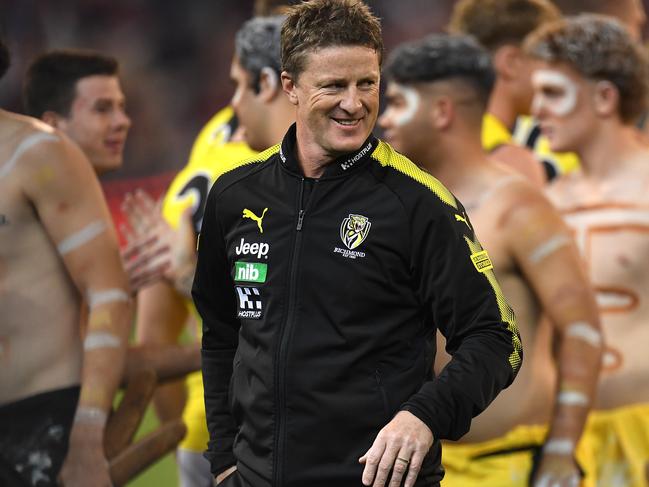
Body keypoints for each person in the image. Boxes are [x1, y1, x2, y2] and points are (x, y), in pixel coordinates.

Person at [193, 1, 523, 486]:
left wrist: (425, 417)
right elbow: (221, 334)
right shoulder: (235, 194)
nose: (355, 103)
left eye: (367, 83)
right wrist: (224, 459)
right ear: (291, 88)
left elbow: (498, 338)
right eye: (333, 86)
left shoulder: (418, 202)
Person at [379, 33, 603, 487]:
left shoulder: (519, 208)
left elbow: (581, 330)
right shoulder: (396, 205)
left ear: (442, 111)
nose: (384, 119)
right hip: (412, 463)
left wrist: (561, 450)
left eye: (399, 103)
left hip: (507, 465)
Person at [134, 14, 294, 487]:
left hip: (210, 425)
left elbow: (152, 337)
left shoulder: (212, 145)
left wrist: (179, 431)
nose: (233, 103)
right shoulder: (284, 175)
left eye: (238, 86)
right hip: (279, 428)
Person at [0, 39, 132, 486]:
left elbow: (109, 296)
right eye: (103, 108)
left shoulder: (38, 152)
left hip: (39, 421)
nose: (122, 121)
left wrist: (86, 439)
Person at [525, 14, 649, 486]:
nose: (536, 110)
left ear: (603, 97)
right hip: (565, 444)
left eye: (553, 93)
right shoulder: (545, 205)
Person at [448, 0, 578, 183]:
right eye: (548, 57)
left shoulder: (447, 136)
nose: (557, 71)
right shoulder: (504, 160)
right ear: (511, 63)